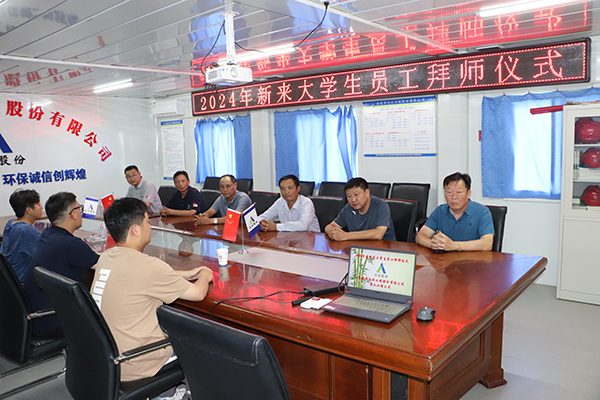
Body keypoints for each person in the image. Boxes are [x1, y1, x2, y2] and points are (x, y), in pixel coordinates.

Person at [90, 198, 213, 382]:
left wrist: (184, 274)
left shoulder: (106, 257)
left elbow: (141, 276)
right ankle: (169, 392)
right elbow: (198, 293)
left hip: (106, 358)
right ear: (135, 230)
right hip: (137, 361)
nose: (151, 227)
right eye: (147, 222)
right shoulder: (149, 266)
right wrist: (205, 274)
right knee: (203, 342)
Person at [23, 192, 99, 338]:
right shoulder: (71, 244)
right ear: (72, 214)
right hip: (55, 321)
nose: (81, 212)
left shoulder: (48, 234)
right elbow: (103, 265)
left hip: (37, 317)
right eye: (79, 208)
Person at [416, 172, 494, 252]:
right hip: (444, 259)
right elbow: (420, 236)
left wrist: (455, 245)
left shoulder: (482, 212)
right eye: (449, 192)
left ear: (468, 194)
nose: (454, 197)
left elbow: (487, 244)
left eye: (459, 192)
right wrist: (433, 244)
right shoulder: (440, 211)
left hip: (472, 259)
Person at [324, 177, 395, 241]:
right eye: (349, 196)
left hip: (384, 248)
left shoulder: (381, 205)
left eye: (356, 195)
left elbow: (378, 234)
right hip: (358, 248)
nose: (353, 200)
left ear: (367, 192)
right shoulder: (348, 208)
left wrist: (346, 236)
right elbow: (330, 226)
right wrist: (333, 231)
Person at [1, 189, 44, 281]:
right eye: (38, 204)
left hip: (9, 281)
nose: (41, 207)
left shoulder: (10, 223)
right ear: (29, 210)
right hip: (22, 283)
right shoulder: (26, 230)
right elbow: (46, 255)